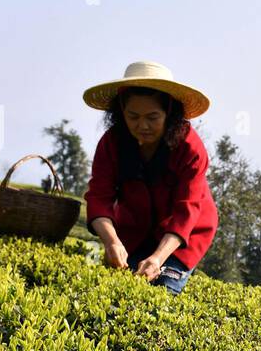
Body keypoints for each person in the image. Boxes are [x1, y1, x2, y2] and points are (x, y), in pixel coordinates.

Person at [82, 61, 218, 294]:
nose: (142, 125)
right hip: (134, 231)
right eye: (132, 116)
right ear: (120, 112)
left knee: (164, 288)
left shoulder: (190, 148)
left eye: (152, 117)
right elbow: (99, 198)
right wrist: (112, 241)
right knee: (120, 287)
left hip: (183, 237)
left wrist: (157, 258)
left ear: (169, 113)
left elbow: (187, 211)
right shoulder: (111, 143)